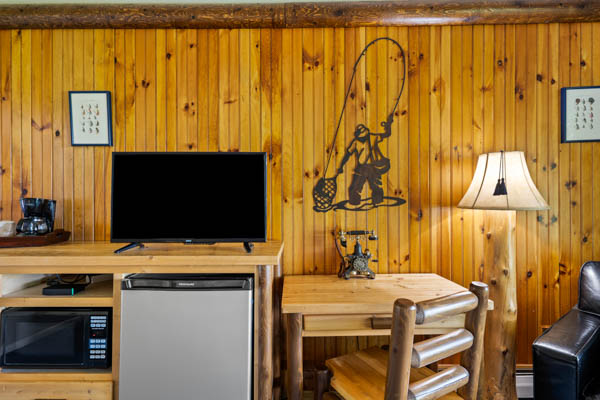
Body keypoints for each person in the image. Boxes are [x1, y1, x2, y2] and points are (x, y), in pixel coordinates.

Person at [336, 114, 393, 206]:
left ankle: (376, 202)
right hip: (364, 168)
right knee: (359, 187)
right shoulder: (355, 142)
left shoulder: (373, 137)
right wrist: (341, 166)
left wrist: (389, 123)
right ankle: (357, 202)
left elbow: (387, 134)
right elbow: (347, 155)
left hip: (375, 166)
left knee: (373, 186)